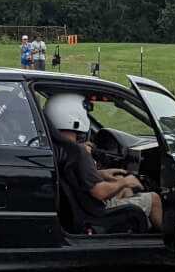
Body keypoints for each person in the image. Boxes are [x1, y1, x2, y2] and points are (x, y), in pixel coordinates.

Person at [43, 93, 162, 232]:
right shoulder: (79, 152)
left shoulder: (59, 148)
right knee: (153, 198)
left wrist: (100, 174)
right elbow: (99, 192)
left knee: (125, 190)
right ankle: (168, 241)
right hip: (96, 211)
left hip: (85, 206)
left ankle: (141, 235)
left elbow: (76, 176)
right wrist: (125, 181)